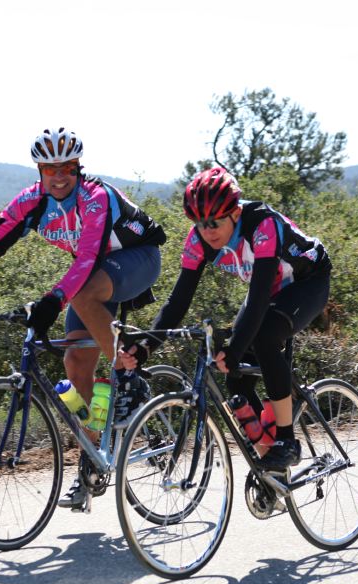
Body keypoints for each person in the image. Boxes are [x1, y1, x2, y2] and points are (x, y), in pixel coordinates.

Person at [0, 127, 166, 507]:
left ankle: (129, 375)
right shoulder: (32, 201)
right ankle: (91, 465)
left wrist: (53, 300)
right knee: (75, 363)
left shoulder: (94, 197)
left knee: (84, 296)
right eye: (50, 168)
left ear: (78, 168)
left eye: (68, 168)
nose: (59, 176)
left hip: (137, 259)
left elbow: (88, 258)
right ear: (39, 170)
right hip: (94, 274)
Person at [119, 166, 331, 471]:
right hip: (270, 290)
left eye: (215, 222)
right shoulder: (197, 242)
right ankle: (271, 465)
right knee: (236, 380)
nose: (208, 230)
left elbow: (258, 299)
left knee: (263, 338)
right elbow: (177, 303)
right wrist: (146, 347)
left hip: (307, 282)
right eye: (200, 223)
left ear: (234, 212)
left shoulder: (262, 225)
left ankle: (287, 441)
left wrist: (235, 347)